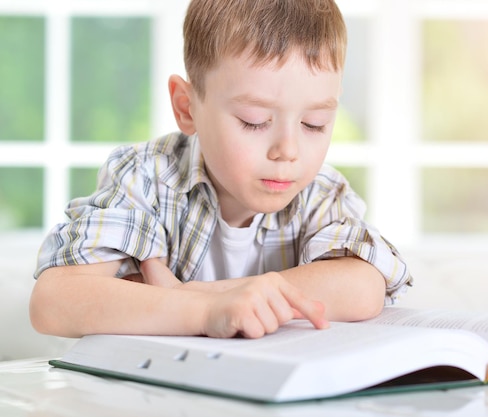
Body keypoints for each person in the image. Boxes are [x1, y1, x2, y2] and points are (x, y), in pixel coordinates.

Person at [30, 0, 412, 340]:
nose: (288, 150)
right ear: (187, 107)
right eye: (254, 120)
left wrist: (215, 293)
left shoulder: (320, 194)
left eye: (314, 123)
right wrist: (205, 312)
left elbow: (363, 287)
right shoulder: (147, 177)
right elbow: (53, 302)